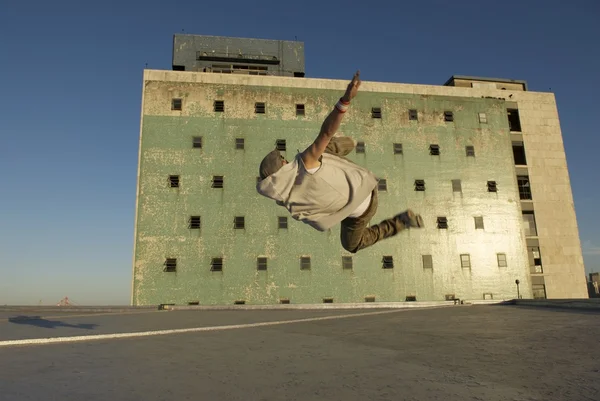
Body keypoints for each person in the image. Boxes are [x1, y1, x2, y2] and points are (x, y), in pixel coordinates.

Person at [256, 71, 423, 253]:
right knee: (323, 149)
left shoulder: (288, 202)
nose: (286, 159)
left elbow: (271, 186)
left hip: (357, 211)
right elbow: (326, 132)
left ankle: (402, 221)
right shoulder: (305, 164)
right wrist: (345, 99)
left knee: (351, 245)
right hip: (363, 190)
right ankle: (348, 143)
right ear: (281, 168)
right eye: (282, 159)